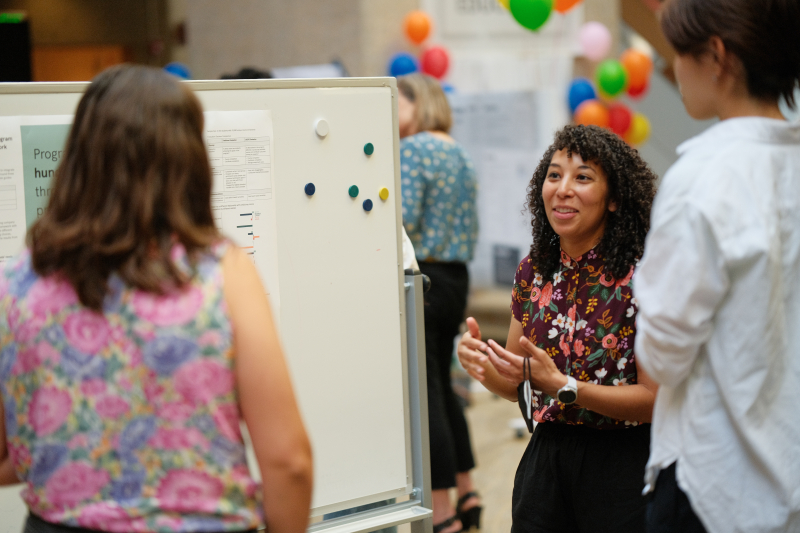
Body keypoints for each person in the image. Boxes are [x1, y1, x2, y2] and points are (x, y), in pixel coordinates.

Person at [0, 65, 313, 533]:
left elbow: (9, 456)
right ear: (188, 159)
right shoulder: (219, 274)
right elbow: (289, 462)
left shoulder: (16, 284)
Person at [632, 1, 800, 532]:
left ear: (718, 56)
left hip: (713, 480)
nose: (675, 67)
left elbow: (662, 353)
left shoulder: (704, 175)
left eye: (680, 51)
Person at [458, 124, 659, 532]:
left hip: (623, 466)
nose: (563, 188)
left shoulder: (645, 277)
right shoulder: (535, 270)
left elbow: (656, 399)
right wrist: (483, 365)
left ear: (615, 198)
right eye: (554, 175)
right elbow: (521, 382)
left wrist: (564, 387)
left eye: (582, 177)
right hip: (546, 467)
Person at [397, 73, 480, 533]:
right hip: (457, 277)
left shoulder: (412, 150)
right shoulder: (458, 150)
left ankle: (444, 514)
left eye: (397, 102)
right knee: (446, 392)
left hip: (424, 278)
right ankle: (469, 494)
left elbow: (402, 216)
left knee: (426, 394)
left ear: (417, 104)